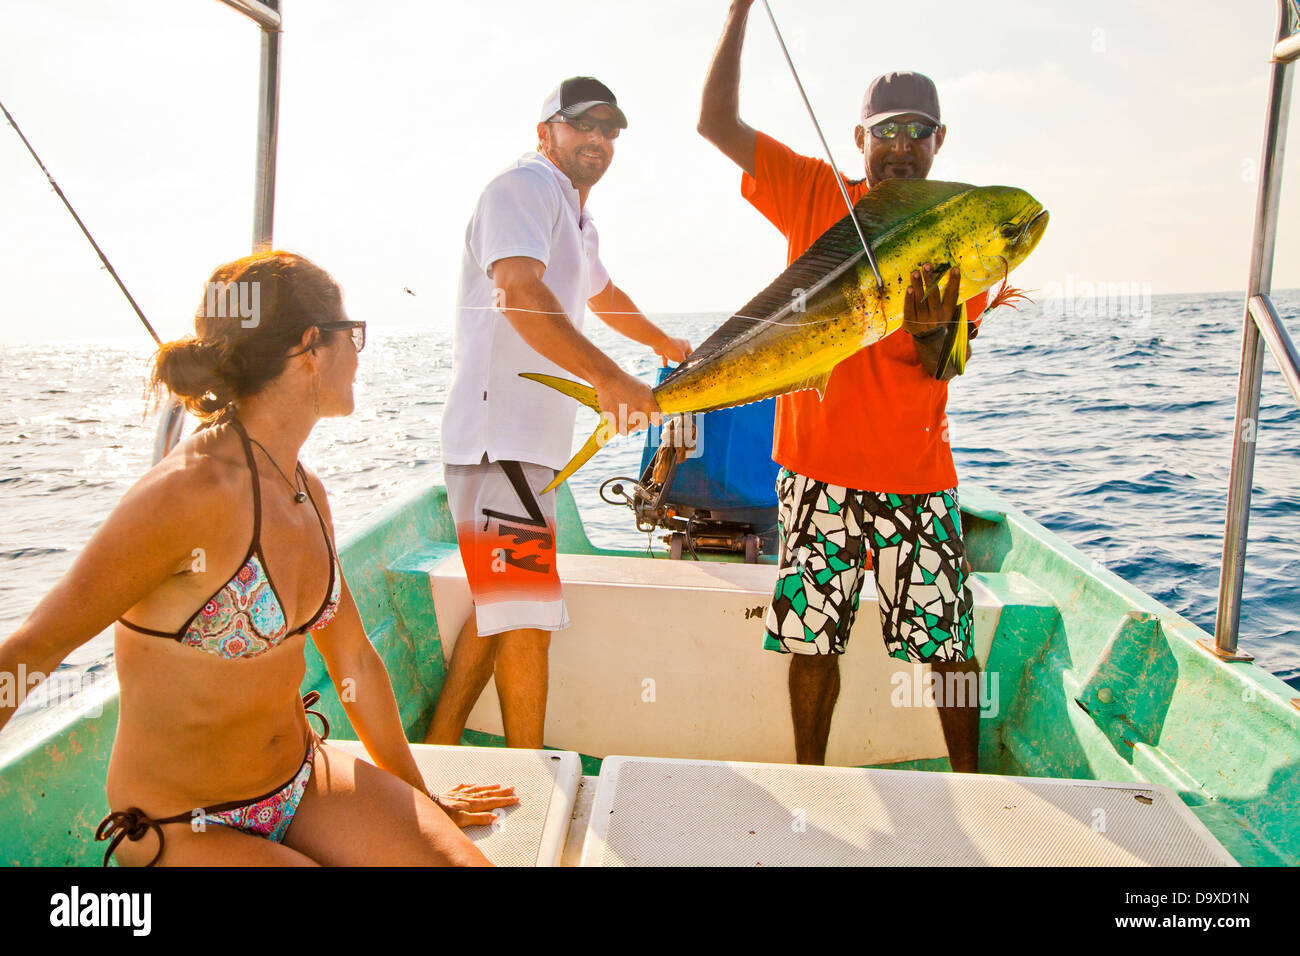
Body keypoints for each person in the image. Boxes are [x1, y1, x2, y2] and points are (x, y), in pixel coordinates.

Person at [0, 252, 518, 866]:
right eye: (352, 335)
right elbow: (32, 650)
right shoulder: (186, 496)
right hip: (180, 824)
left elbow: (351, 655)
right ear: (310, 348)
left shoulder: (304, 488)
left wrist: (420, 797)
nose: (360, 351)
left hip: (302, 783)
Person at [699, 1, 987, 770]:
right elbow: (715, 123)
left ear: (938, 141)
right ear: (858, 138)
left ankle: (976, 785)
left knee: (949, 650)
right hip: (816, 475)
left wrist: (931, 330)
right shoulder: (811, 189)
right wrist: (739, 10)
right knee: (812, 642)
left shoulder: (958, 224)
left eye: (915, 131)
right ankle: (810, 787)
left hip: (916, 482)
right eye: (883, 131)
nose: (899, 146)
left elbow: (948, 362)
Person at [427, 77, 691, 750]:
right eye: (582, 125)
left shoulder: (576, 214)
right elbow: (517, 292)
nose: (597, 139)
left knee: (505, 604)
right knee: (524, 617)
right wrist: (609, 378)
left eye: (609, 129)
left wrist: (661, 344)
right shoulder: (524, 188)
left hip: (528, 449)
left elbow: (602, 295)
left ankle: (439, 746)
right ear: (545, 132)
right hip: (500, 444)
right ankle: (531, 779)